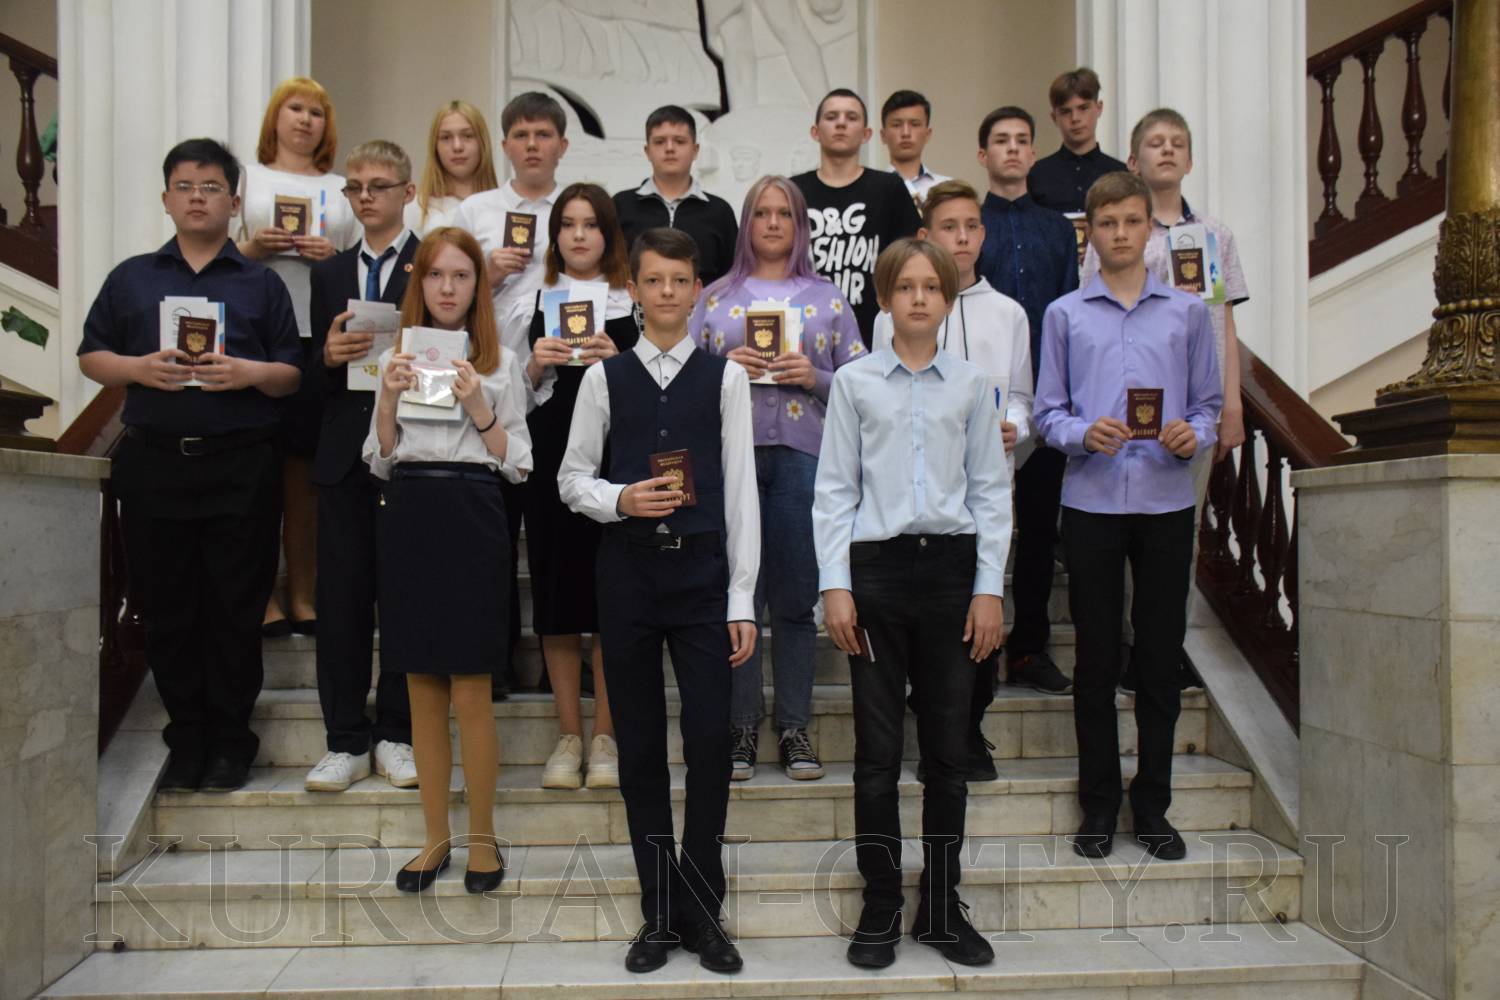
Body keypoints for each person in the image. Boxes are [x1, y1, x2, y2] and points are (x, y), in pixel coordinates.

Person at [559, 228, 758, 976]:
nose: (668, 292)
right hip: (630, 576)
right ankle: (659, 912)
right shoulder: (603, 379)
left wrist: (742, 597)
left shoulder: (726, 378)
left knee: (708, 743)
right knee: (640, 748)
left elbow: (741, 492)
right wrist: (621, 499)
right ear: (634, 290)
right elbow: (572, 479)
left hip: (703, 576)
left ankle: (704, 909)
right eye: (654, 280)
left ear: (698, 289)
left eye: (680, 280)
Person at [78, 139, 301, 793]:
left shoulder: (261, 283)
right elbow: (91, 355)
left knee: (235, 609)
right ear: (166, 198)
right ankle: (188, 738)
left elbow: (291, 374)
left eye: (211, 187)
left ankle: (231, 742)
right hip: (155, 465)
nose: (197, 197)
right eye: (185, 186)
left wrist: (249, 373)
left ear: (234, 202)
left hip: (242, 465)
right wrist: (138, 368)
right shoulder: (132, 278)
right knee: (168, 609)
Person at [815, 238, 1009, 971]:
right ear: (885, 298)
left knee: (948, 755)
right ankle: (881, 905)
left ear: (948, 300)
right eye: (906, 287)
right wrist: (836, 583)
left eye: (932, 287)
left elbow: (990, 491)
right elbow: (835, 489)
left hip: (952, 574)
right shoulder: (854, 383)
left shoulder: (971, 386)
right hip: (878, 574)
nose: (919, 297)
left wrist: (988, 588)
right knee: (876, 754)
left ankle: (942, 906)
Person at [1033, 171, 1221, 862]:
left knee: (1160, 658)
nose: (1120, 233)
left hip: (1167, 501)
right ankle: (1099, 804)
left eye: (1132, 221)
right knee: (1095, 659)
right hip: (1092, 503)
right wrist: (1083, 433)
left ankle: (1153, 805)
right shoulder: (1064, 315)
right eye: (1107, 222)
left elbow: (1208, 405)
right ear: (1090, 232)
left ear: (1150, 229)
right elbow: (1046, 412)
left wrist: (1193, 435)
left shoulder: (1188, 313)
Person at [363, 226, 533, 894]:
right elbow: (379, 459)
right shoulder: (395, 357)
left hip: (473, 513)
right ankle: (434, 840)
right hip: (410, 511)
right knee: (421, 689)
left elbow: (518, 463)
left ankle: (483, 842)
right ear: (420, 283)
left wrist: (477, 404)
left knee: (470, 690)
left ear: (477, 286)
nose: (447, 287)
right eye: (435, 274)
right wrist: (386, 395)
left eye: (461, 275)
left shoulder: (500, 362)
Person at [688, 175, 862, 783]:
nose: (771, 223)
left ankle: (793, 727)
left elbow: (863, 388)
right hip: (731, 460)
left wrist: (813, 376)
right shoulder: (714, 299)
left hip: (803, 460)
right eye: (761, 212)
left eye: (783, 213)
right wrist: (720, 370)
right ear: (746, 223)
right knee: (739, 597)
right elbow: (681, 382)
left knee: (793, 599)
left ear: (800, 224)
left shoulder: (828, 299)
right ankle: (741, 725)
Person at [872, 180, 1033, 782]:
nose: (960, 238)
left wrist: (1014, 425)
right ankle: (931, 724)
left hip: (982, 488)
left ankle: (969, 728)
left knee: (980, 610)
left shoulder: (1008, 313)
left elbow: (1024, 395)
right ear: (926, 235)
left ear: (983, 235)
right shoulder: (891, 316)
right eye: (948, 227)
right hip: (913, 497)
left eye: (970, 226)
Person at [1085, 107, 1249, 694]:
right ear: (1134, 160)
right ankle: (1133, 645)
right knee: (1127, 527)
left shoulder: (1214, 236)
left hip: (1192, 406)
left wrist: (1230, 405)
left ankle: (1167, 646)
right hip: (1125, 405)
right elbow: (1090, 315)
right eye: (1155, 142)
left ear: (1191, 159)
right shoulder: (1120, 232)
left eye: (1178, 142)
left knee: (1182, 531)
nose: (1168, 150)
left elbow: (1224, 321)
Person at [505, 183, 638, 789]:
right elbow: (507, 396)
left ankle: (606, 735)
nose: (579, 235)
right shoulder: (530, 301)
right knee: (558, 599)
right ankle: (567, 734)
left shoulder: (632, 301)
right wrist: (537, 364)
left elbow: (657, 391)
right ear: (554, 235)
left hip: (616, 465)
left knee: (611, 600)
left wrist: (620, 364)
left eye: (591, 224)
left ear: (609, 234)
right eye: (568, 224)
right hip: (550, 460)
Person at [302, 140, 420, 793]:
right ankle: (344, 739)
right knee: (342, 604)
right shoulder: (329, 275)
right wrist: (325, 357)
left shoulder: (435, 265)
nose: (366, 196)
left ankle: (397, 734)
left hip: (411, 449)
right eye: (356, 187)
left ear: (408, 191)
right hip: (344, 453)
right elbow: (311, 379)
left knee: (403, 598)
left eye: (380, 185)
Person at [452, 90, 569, 698]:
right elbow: (441, 290)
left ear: (562, 145)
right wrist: (487, 275)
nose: (532, 145)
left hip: (554, 391)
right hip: (487, 384)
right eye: (521, 135)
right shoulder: (475, 210)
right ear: (504, 145)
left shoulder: (573, 211)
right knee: (490, 536)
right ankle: (492, 660)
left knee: (552, 535)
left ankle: (558, 662)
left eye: (543, 134)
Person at [237, 76, 361, 638]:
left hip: (319, 337)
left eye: (317, 111)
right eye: (295, 108)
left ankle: (303, 591)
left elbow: (361, 260)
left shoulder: (341, 187)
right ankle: (262, 593)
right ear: (275, 117)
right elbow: (217, 253)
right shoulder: (248, 177)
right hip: (257, 337)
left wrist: (332, 256)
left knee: (306, 475)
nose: (306, 119)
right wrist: (253, 249)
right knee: (257, 475)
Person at [975, 105, 1078, 697]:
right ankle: (970, 648)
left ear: (1034, 153)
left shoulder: (1057, 229)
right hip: (980, 401)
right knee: (975, 526)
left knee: (1038, 529)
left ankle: (1029, 649)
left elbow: (1069, 313)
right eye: (1001, 140)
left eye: (1021, 140)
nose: (1012, 149)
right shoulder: (971, 226)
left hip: (1044, 397)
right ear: (983, 154)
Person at [792, 88, 921, 347]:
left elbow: (912, 260)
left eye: (851, 117)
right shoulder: (793, 191)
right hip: (806, 329)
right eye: (832, 117)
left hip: (876, 331)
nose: (841, 123)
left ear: (866, 134)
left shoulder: (890, 188)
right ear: (815, 131)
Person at [614, 105, 739, 286]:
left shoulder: (719, 211)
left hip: (703, 304)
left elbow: (733, 276)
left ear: (695, 150)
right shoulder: (621, 205)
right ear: (647, 151)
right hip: (633, 304)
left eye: (680, 141)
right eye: (659, 142)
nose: (670, 148)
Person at [1029, 67, 1127, 214]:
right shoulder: (1035, 175)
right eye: (1065, 111)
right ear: (1054, 117)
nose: (1075, 118)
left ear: (1099, 108)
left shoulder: (1121, 174)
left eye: (1083, 108)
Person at [406, 100, 500, 236]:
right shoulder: (416, 208)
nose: (457, 146)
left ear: (482, 143)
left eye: (467, 136)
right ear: (435, 147)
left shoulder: (502, 206)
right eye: (446, 138)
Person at [878, 90, 950, 207]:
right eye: (896, 125)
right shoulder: (871, 189)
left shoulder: (947, 189)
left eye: (915, 124)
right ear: (883, 135)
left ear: (927, 134)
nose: (906, 133)